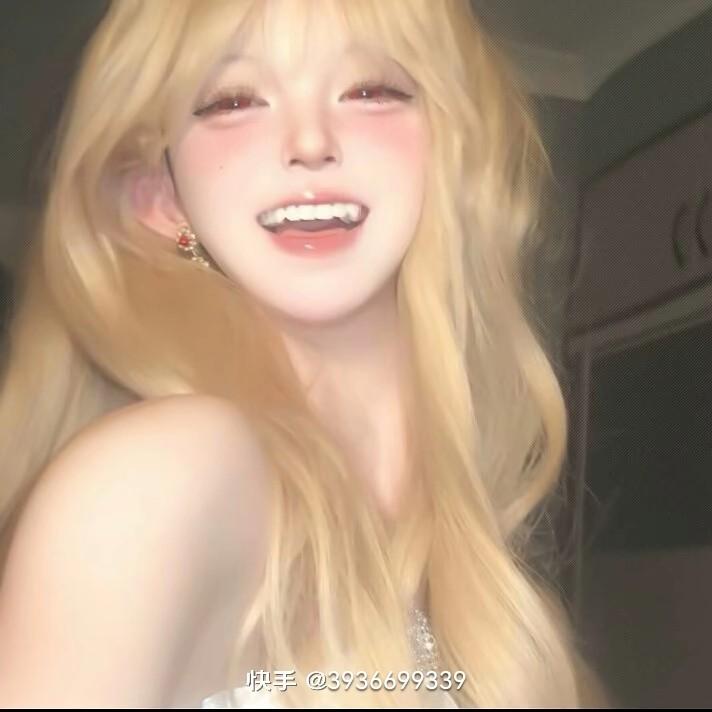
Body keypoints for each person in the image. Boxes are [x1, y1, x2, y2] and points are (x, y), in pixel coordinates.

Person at [0, 0, 605, 707]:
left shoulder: (468, 563)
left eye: (370, 90)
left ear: (453, 151)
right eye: (232, 101)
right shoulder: (156, 480)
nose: (310, 141)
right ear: (158, 196)